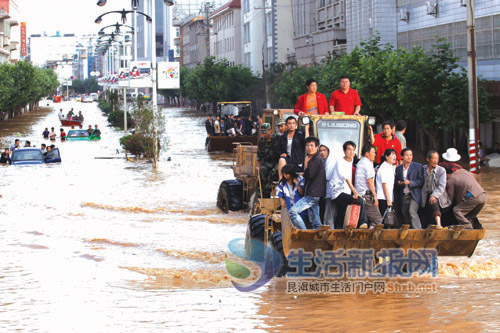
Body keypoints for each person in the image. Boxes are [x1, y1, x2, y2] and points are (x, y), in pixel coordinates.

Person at [288, 136, 326, 230]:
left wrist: (306, 165)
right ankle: (318, 239)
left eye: (312, 146)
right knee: (316, 222)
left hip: (312, 194)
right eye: (308, 146)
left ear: (317, 147)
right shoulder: (314, 159)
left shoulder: (316, 159)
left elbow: (309, 175)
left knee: (292, 212)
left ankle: (304, 232)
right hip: (314, 194)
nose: (309, 148)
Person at [329, 141, 368, 229]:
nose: (351, 152)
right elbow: (346, 178)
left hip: (345, 191)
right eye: (349, 150)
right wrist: (355, 192)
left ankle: (338, 233)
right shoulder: (340, 161)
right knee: (359, 200)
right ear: (344, 151)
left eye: (353, 150)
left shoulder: (351, 162)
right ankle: (363, 223)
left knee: (342, 214)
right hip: (337, 192)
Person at [446, 158, 487, 230]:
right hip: (483, 196)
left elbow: (450, 199)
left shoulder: (451, 179)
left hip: (473, 197)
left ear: (447, 174)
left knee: (456, 210)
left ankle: (467, 226)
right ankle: (473, 229)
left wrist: (445, 209)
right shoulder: (465, 172)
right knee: (469, 216)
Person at [355, 145, 383, 229]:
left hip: (360, 194)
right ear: (367, 154)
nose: (375, 155)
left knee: (368, 220)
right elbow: (370, 181)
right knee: (377, 220)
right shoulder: (367, 163)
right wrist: (375, 196)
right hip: (366, 195)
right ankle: (372, 240)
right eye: (373, 153)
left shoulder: (360, 162)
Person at [395, 148, 424, 229]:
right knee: (404, 212)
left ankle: (418, 231)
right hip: (404, 193)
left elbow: (421, 181)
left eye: (411, 155)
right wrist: (399, 183)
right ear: (402, 157)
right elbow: (396, 180)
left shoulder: (418, 166)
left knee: (412, 211)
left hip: (414, 194)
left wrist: (410, 183)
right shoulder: (399, 168)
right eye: (407, 155)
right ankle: (409, 229)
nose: (409, 157)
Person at [421, 150, 451, 229]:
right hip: (425, 195)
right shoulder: (423, 169)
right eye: (433, 159)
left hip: (438, 196)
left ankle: (439, 224)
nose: (435, 161)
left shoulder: (441, 170)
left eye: (437, 159)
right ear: (428, 159)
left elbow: (441, 186)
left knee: (433, 201)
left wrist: (434, 195)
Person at [257, 123, 279, 198]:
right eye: (262, 132)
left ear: (270, 130)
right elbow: (259, 156)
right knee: (262, 171)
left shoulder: (277, 138)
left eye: (265, 132)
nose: (263, 134)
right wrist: (258, 167)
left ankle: (269, 188)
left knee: (273, 173)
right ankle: (264, 194)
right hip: (267, 162)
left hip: (277, 162)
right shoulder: (262, 141)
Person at [376, 148, 397, 217]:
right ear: (386, 157)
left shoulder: (390, 166)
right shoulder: (384, 167)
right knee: (384, 219)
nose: (394, 157)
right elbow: (384, 184)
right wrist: (388, 200)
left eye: (395, 155)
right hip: (383, 197)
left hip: (388, 197)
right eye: (392, 155)